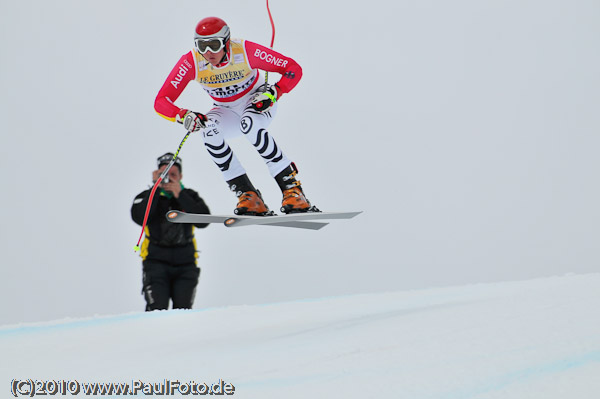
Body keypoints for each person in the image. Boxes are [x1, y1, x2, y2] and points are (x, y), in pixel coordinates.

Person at [154, 16, 317, 216]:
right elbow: (161, 101)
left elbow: (293, 69)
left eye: (214, 45)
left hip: (256, 102)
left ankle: (292, 190)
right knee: (209, 132)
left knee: (250, 124)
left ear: (226, 41)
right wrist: (182, 115)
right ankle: (248, 196)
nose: (208, 53)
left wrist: (275, 92)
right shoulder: (192, 61)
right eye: (201, 46)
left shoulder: (245, 51)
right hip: (225, 110)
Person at [131, 153, 211, 311]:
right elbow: (140, 217)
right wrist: (155, 189)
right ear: (156, 175)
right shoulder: (146, 196)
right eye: (164, 174)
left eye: (173, 174)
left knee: (183, 311)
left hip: (186, 264)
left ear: (181, 176)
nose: (169, 178)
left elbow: (204, 221)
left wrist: (180, 195)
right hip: (155, 263)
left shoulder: (190, 196)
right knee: (156, 309)